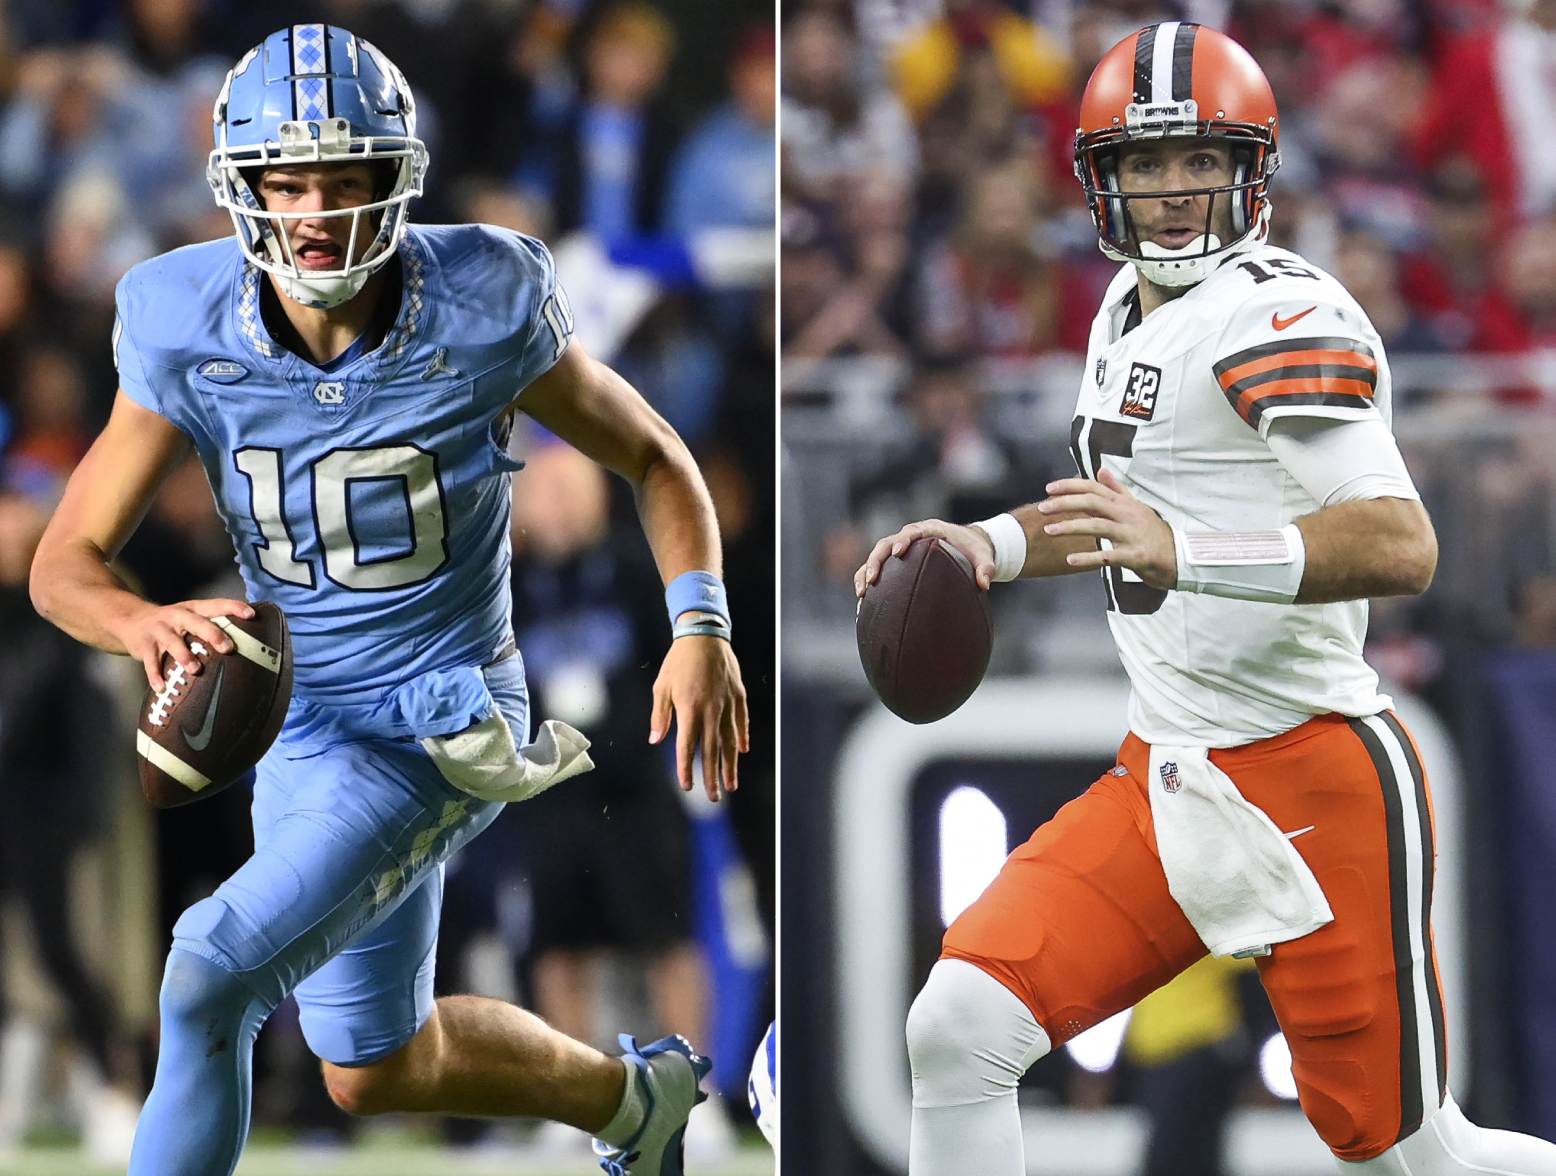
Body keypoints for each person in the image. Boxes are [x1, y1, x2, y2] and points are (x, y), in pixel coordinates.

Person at [27, 24, 748, 1176]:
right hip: (299, 719)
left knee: (206, 974)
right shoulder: (180, 316)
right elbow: (62, 562)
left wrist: (700, 624)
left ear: (396, 181)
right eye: (289, 180)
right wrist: (141, 623)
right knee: (375, 1066)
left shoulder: (482, 296)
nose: (315, 209)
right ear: (241, 186)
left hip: (443, 715)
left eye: (346, 179)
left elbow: (656, 458)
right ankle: (635, 1101)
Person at [856, 23, 1556, 1176]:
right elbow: (1115, 517)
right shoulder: (1124, 309)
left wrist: (1189, 547)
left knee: (1412, 1159)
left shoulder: (1277, 311)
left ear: (1251, 169)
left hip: (1312, 778)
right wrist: (978, 543)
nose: (1173, 190)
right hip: (1167, 772)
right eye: (1143, 162)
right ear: (1099, 179)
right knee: (958, 1028)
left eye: (1197, 159)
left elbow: (1399, 540)